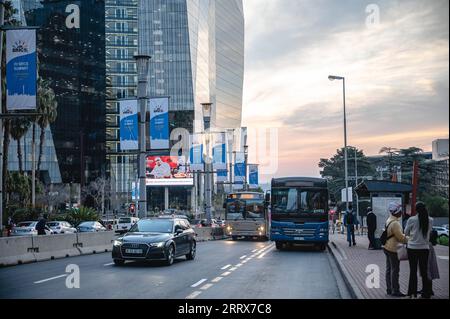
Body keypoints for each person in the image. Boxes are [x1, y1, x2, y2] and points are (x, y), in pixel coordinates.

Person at [404, 202, 433, 299]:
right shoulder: (430, 220)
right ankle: (426, 293)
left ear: (416, 210)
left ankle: (412, 293)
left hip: (412, 248)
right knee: (424, 271)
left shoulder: (411, 220)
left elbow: (406, 232)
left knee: (413, 271)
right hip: (425, 248)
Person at [383, 202, 408, 297]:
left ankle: (389, 289)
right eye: (400, 211)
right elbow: (401, 238)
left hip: (386, 247)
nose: (401, 212)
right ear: (396, 212)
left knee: (389, 269)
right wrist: (411, 238)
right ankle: (395, 290)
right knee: (395, 270)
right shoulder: (396, 224)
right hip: (393, 249)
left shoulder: (389, 220)